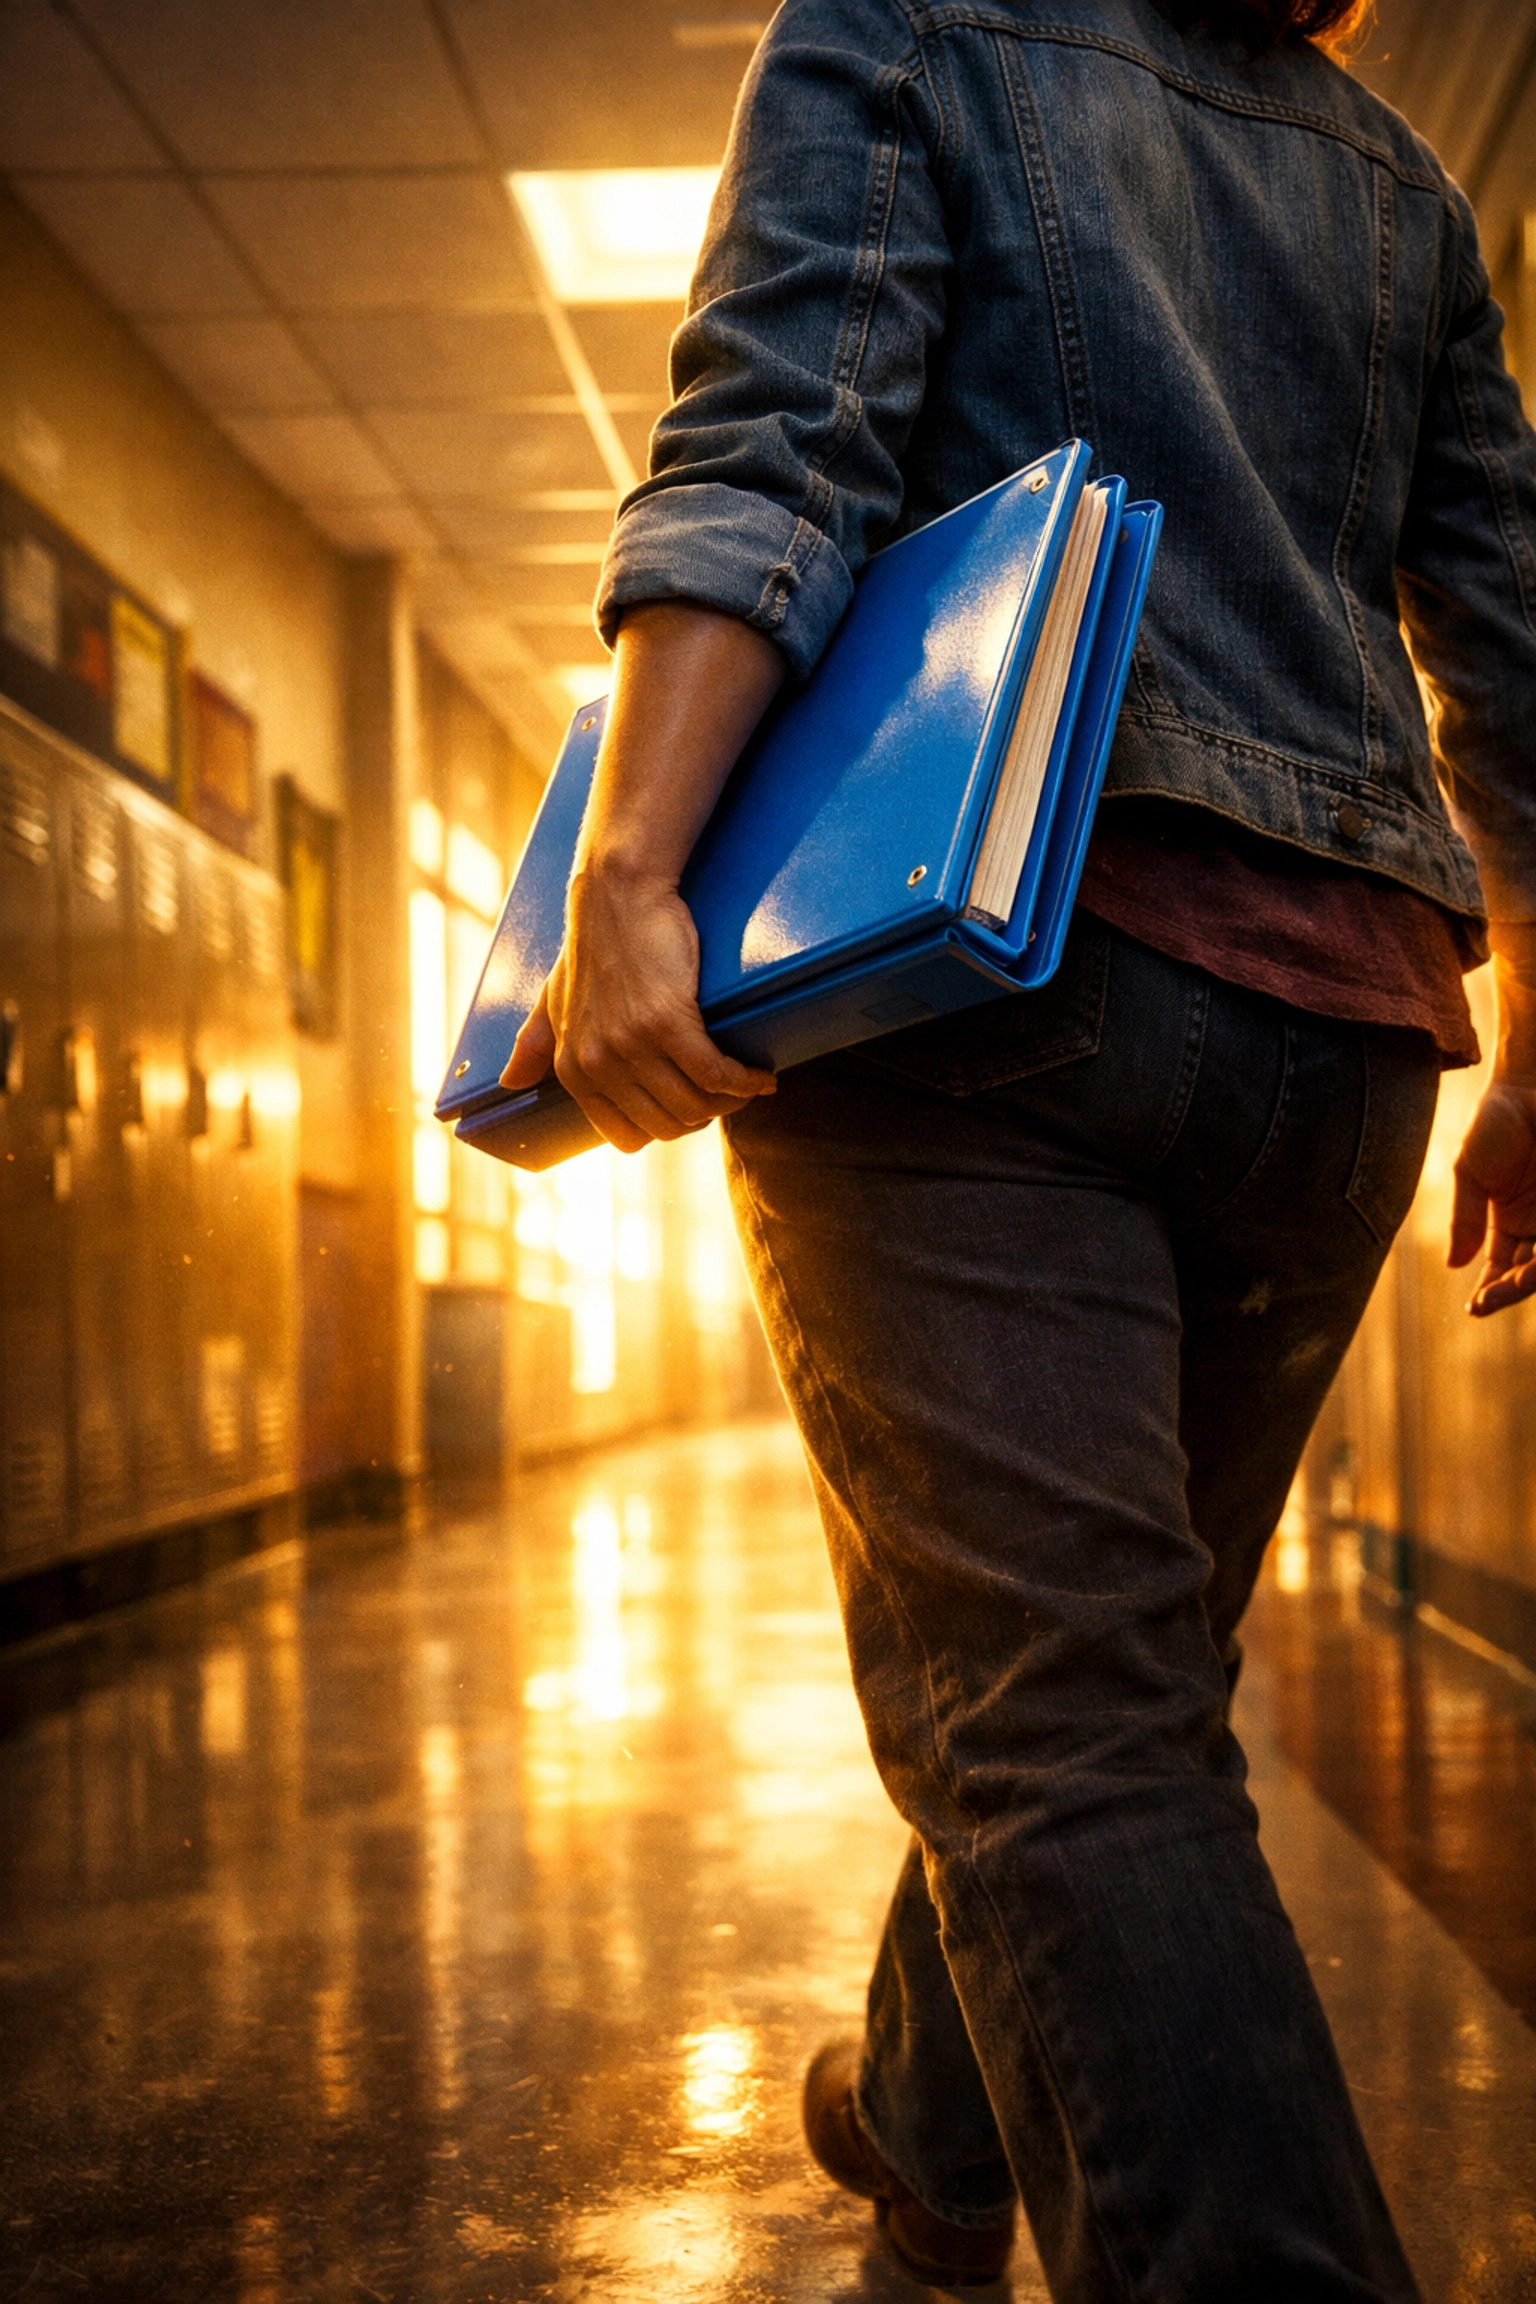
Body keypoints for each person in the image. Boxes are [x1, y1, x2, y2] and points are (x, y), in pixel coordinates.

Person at [501, 0, 1536, 2292]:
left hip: (984, 973)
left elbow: (778, 445)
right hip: (1347, 1044)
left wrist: (630, 877)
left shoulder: (906, 26)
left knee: (1065, 1725)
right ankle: (930, 2126)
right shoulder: (1408, 189)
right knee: (1098, 1681)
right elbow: (1511, 648)